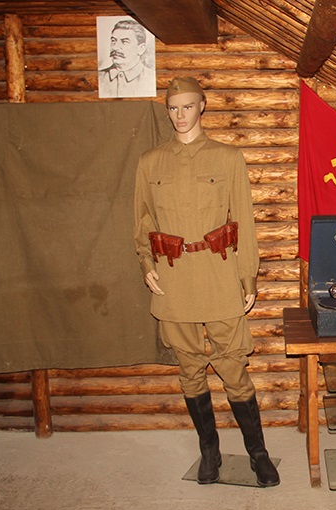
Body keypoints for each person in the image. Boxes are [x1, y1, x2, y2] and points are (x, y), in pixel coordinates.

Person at [133, 77, 279, 488]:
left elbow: (244, 221)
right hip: (174, 279)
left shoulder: (228, 158)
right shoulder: (150, 163)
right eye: (173, 108)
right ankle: (209, 452)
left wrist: (247, 276)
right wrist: (146, 262)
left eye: (188, 106)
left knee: (234, 369)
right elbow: (142, 220)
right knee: (190, 371)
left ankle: (258, 454)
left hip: (218, 276)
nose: (180, 115)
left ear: (202, 106)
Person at [98, 19, 155, 98]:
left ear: (141, 48)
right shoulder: (99, 77)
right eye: (113, 41)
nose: (115, 47)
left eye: (124, 42)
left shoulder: (151, 78)